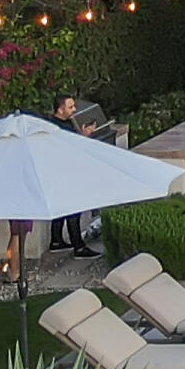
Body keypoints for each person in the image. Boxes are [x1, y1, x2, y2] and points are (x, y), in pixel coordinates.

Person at [54, 97, 102, 254]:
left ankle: (56, 240)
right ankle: (78, 247)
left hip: (67, 171)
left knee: (63, 209)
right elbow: (66, 148)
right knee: (73, 209)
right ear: (60, 109)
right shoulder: (56, 127)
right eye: (70, 107)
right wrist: (83, 136)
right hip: (64, 172)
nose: (74, 109)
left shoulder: (69, 123)